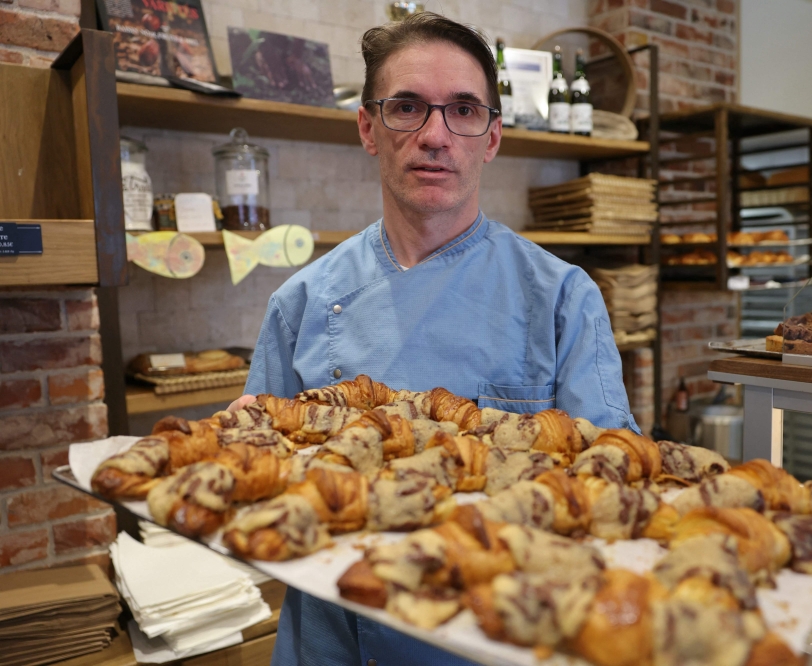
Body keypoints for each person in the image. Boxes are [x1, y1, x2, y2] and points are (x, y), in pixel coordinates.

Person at [231, 12, 639, 666]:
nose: (435, 135)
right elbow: (256, 484)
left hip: (503, 640)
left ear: (493, 136)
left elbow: (612, 493)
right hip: (335, 644)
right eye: (406, 108)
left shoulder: (563, 299)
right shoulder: (300, 303)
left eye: (464, 111)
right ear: (368, 127)